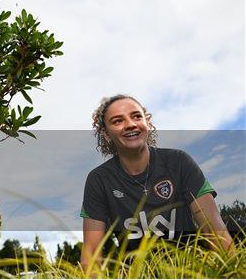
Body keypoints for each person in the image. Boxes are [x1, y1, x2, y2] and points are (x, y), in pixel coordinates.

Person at [80, 94, 234, 271]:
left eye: (137, 116)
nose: (130, 124)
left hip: (190, 271)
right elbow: (91, 254)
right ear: (106, 134)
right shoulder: (98, 180)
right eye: (117, 121)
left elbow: (215, 231)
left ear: (147, 122)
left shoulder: (179, 162)